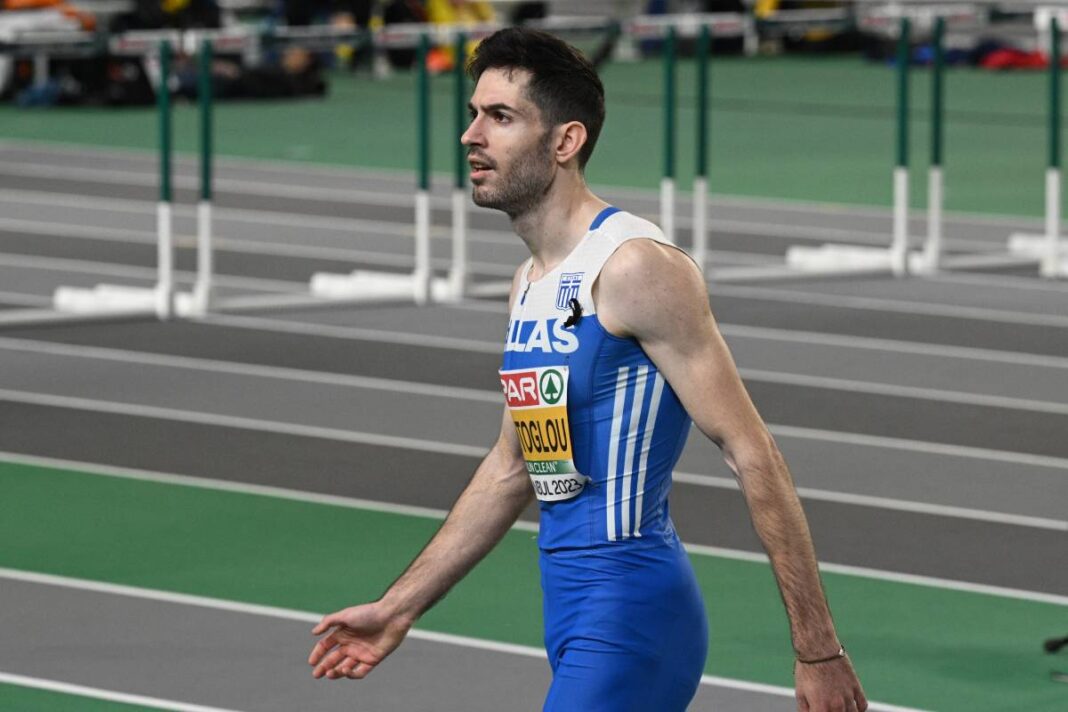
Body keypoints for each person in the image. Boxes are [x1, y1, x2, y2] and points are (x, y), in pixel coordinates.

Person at [308, 27, 868, 712]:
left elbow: (752, 452)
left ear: (565, 141)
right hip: (569, 604)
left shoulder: (635, 267)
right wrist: (398, 608)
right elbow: (512, 467)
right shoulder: (529, 283)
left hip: (632, 608)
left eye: (500, 117)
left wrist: (818, 649)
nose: (470, 136)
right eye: (473, 113)